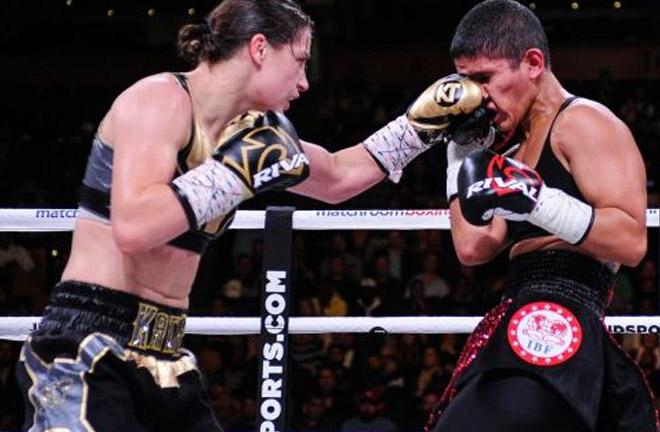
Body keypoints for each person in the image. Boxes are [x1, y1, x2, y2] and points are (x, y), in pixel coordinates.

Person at [14, 1, 487, 431]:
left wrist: (425, 124)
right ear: (260, 48)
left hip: (166, 358)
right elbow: (135, 226)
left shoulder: (255, 135)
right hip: (88, 344)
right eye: (300, 60)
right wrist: (233, 172)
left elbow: (339, 177)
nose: (305, 82)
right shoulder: (159, 99)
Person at [425, 1, 657, 431]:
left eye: (483, 79)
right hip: (517, 312)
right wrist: (460, 153)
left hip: (561, 314)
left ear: (532, 63)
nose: (476, 96)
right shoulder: (509, 152)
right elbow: (473, 247)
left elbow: (631, 240)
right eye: (465, 82)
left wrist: (537, 201)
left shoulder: (584, 122)